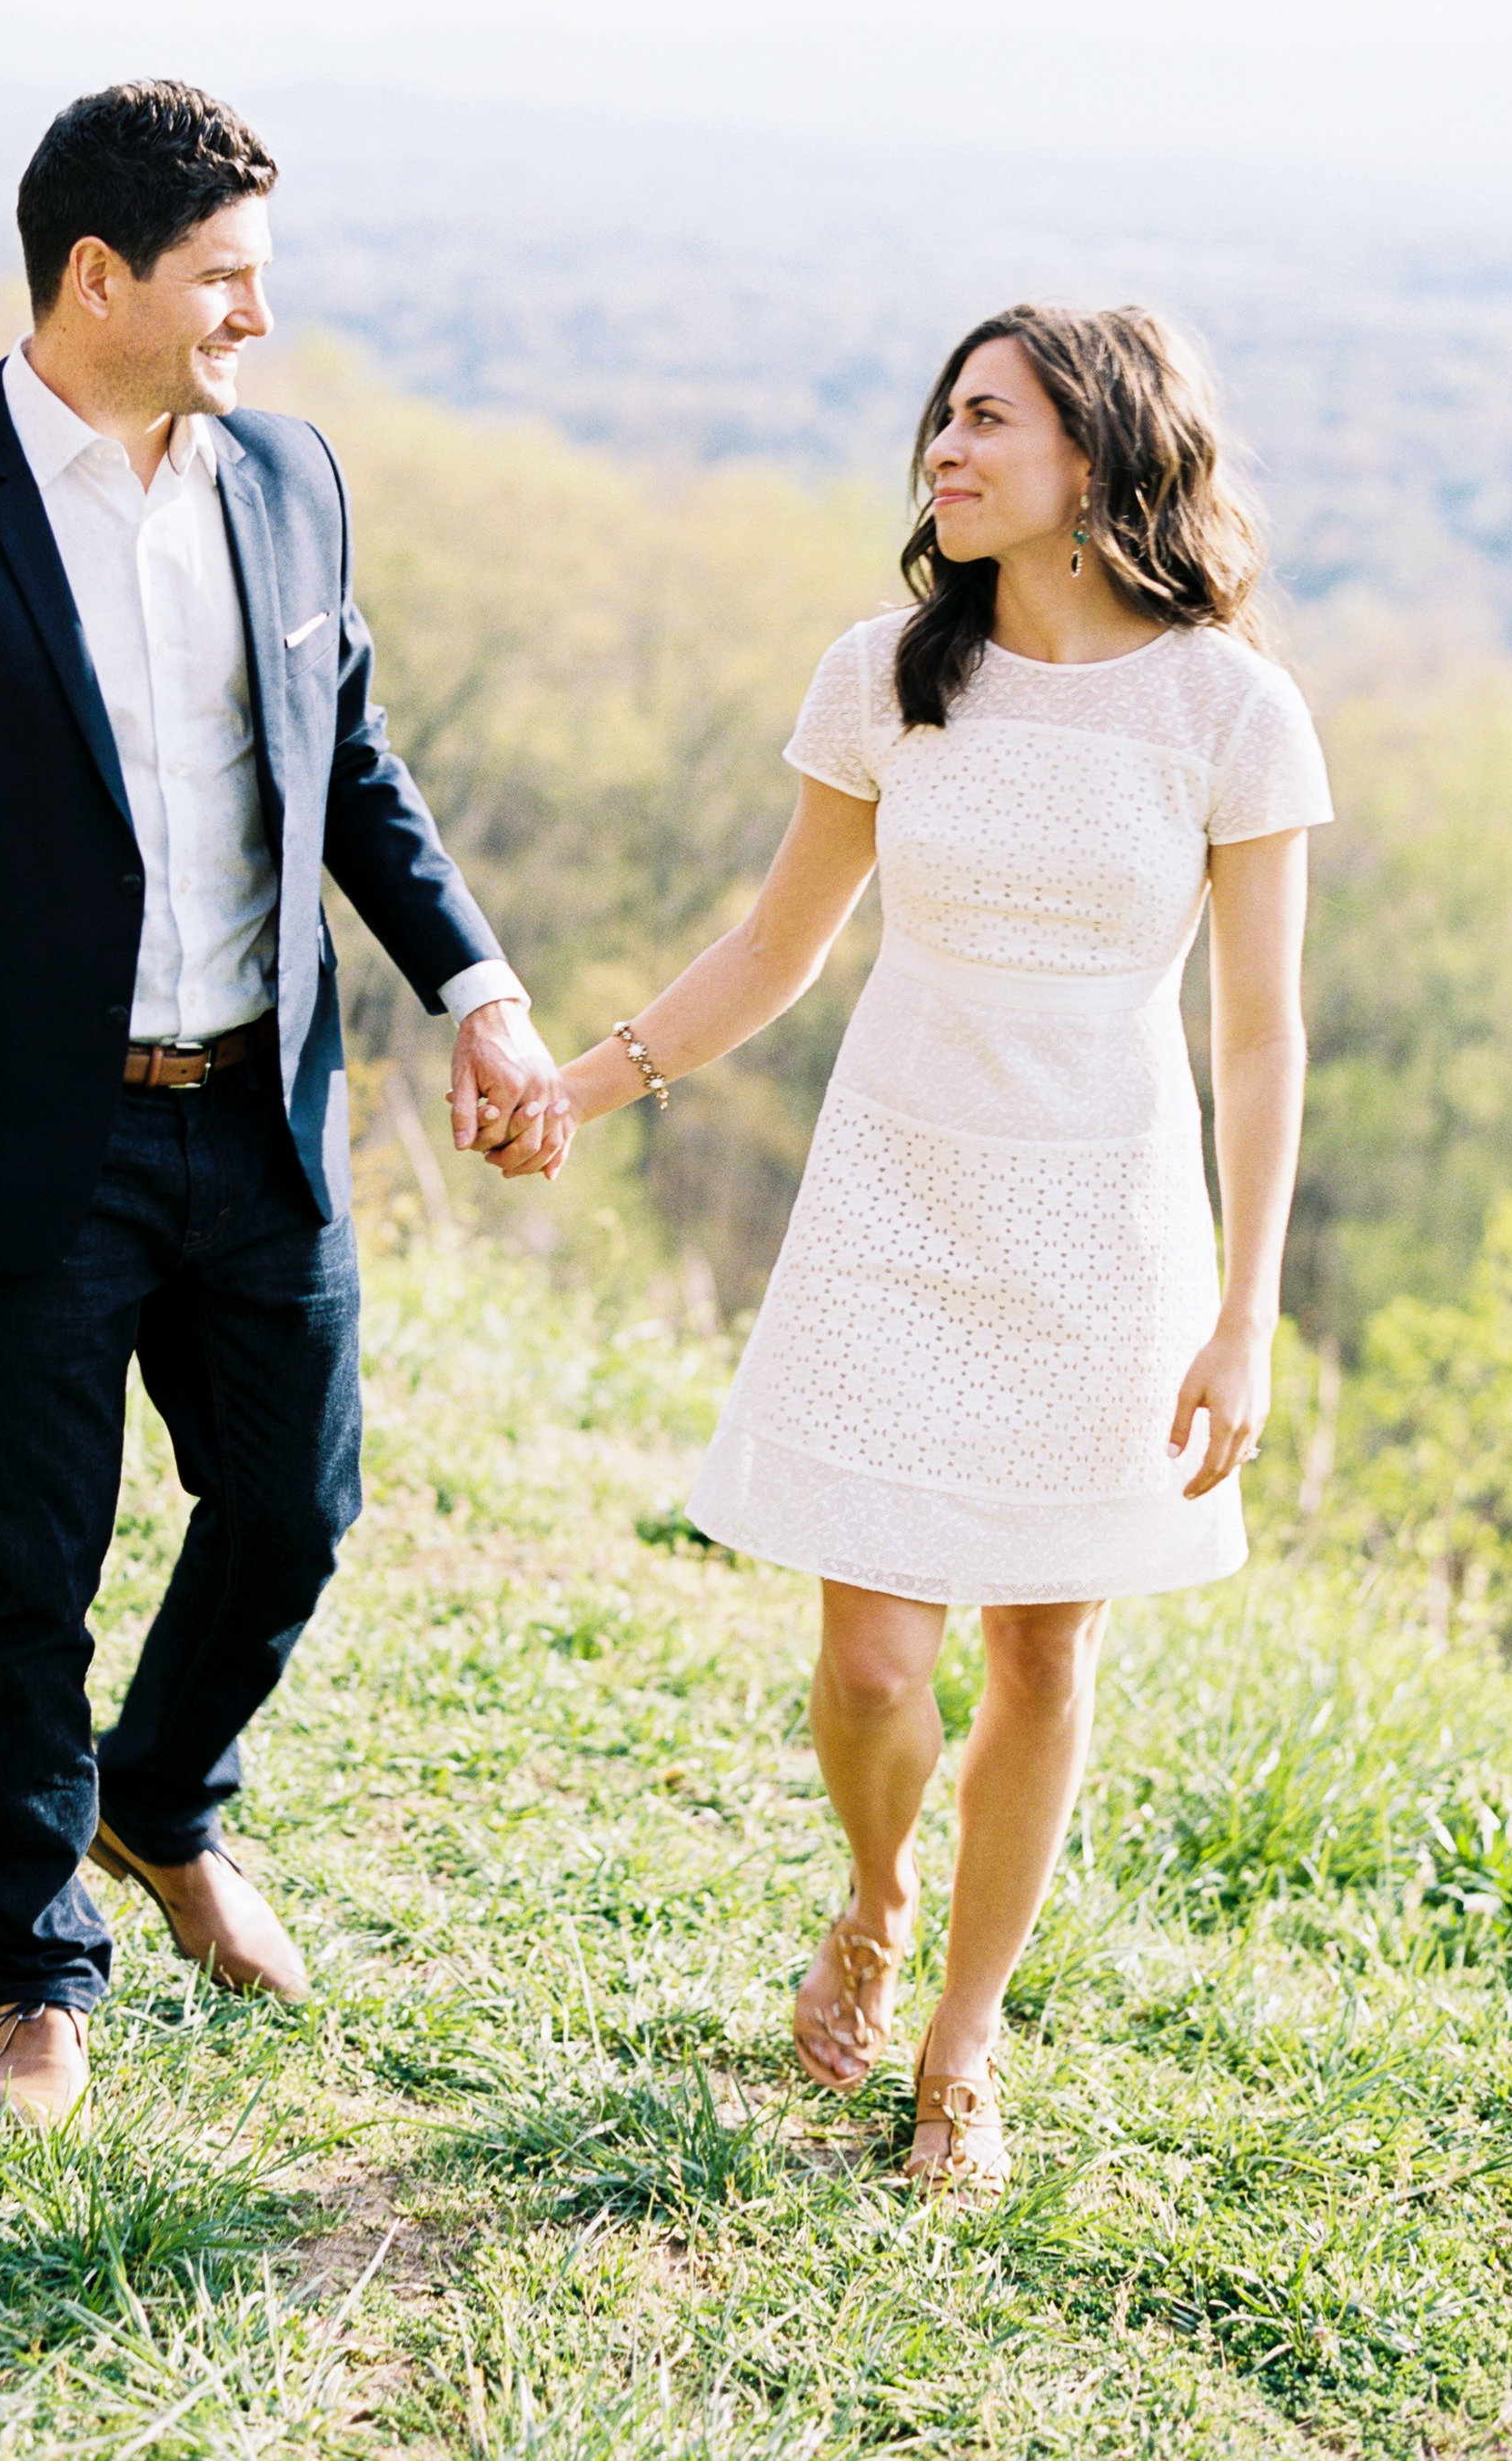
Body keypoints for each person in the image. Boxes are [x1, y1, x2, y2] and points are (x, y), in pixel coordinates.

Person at [0, 80, 569, 2127]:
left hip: (260, 1108)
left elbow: (351, 769)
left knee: (296, 1500)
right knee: (31, 1555)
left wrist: (475, 989)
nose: (258, 324)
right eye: (226, 281)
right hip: (21, 1136)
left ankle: (160, 1798)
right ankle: (36, 1966)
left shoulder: (292, 482)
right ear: (97, 275)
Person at [532, 304, 1330, 2196]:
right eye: (940, 421)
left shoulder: (1228, 709)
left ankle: (961, 2033)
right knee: (877, 1658)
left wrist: (1245, 1311)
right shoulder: (885, 674)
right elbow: (771, 945)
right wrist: (585, 1077)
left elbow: (1260, 1031)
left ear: (1101, 455)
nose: (942, 452)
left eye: (987, 421)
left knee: (1043, 1651)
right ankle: (875, 1890)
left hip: (1106, 1223)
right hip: (893, 1199)